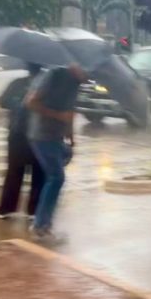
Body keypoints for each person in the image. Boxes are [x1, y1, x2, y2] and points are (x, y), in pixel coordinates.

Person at [25, 63, 86, 242]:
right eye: (85, 70)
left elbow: (70, 112)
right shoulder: (54, 75)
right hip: (42, 135)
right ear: (75, 64)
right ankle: (40, 226)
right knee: (57, 178)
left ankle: (43, 223)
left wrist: (71, 137)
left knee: (54, 177)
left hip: (57, 137)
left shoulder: (76, 83)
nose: (87, 76)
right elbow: (31, 101)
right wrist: (58, 116)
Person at [0, 64, 44, 220]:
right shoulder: (46, 84)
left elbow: (2, 101)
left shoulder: (17, 83)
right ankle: (34, 210)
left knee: (14, 172)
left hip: (17, 134)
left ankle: (6, 208)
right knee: (39, 173)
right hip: (39, 135)